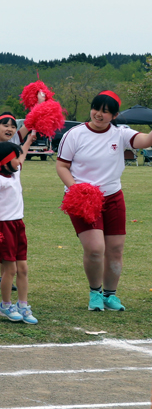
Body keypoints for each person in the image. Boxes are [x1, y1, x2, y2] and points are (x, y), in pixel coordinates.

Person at [56, 90, 152, 311]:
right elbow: (61, 165)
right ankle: (95, 292)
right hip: (82, 198)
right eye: (96, 108)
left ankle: (110, 295)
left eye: (105, 112)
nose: (98, 114)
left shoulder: (121, 134)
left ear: (115, 115)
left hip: (113, 196)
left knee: (116, 249)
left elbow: (145, 141)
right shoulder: (75, 134)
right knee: (96, 248)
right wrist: (76, 189)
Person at [0, 140, 38, 324]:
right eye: (15, 157)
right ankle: (5, 305)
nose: (20, 161)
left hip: (17, 224)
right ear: (5, 160)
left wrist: (29, 139)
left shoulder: (15, 173)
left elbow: (23, 155)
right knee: (10, 269)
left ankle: (23, 305)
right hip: (1, 226)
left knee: (23, 268)